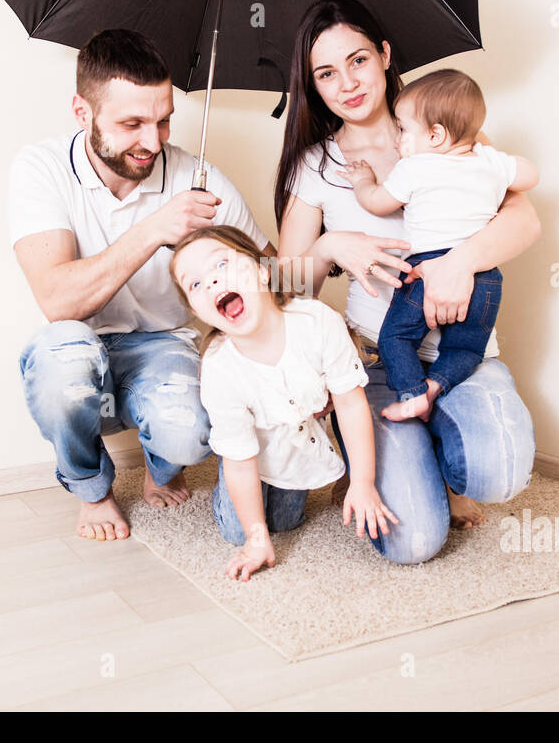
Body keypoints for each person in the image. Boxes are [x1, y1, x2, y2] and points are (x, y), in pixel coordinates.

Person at [272, 0, 541, 562]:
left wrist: (458, 264)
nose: (347, 83)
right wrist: (328, 245)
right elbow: (289, 287)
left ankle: (436, 443)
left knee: (499, 473)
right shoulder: (318, 166)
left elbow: (526, 219)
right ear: (312, 85)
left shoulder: (445, 132)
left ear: (385, 55)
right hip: (374, 359)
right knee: (414, 540)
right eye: (326, 73)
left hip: (463, 351)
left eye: (358, 60)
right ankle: (395, 447)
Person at [10, 28, 273, 542]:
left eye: (163, 120)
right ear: (82, 113)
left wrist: (326, 255)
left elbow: (272, 275)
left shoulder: (198, 178)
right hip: (76, 342)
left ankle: (162, 465)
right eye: (132, 124)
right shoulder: (40, 169)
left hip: (163, 346)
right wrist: (154, 230)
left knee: (190, 433)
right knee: (62, 362)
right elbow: (57, 301)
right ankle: (92, 489)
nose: (153, 142)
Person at [169, 226, 398, 581]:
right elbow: (240, 461)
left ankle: (277, 491)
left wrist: (363, 482)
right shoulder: (219, 367)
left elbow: (351, 406)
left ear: (263, 270)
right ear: (197, 309)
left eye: (221, 265)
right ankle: (225, 487)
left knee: (287, 521)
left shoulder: (316, 321)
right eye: (195, 284)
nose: (212, 282)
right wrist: (256, 538)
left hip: (297, 440)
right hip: (245, 454)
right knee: (239, 530)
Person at [340, 68, 540, 422]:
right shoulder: (489, 160)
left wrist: (363, 180)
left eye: (403, 129)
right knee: (465, 346)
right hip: (486, 277)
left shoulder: (415, 167)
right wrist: (494, 161)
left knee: (396, 337)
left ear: (435, 135)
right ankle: (436, 385)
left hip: (425, 269)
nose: (398, 138)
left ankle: (414, 393)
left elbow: (376, 202)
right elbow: (530, 175)